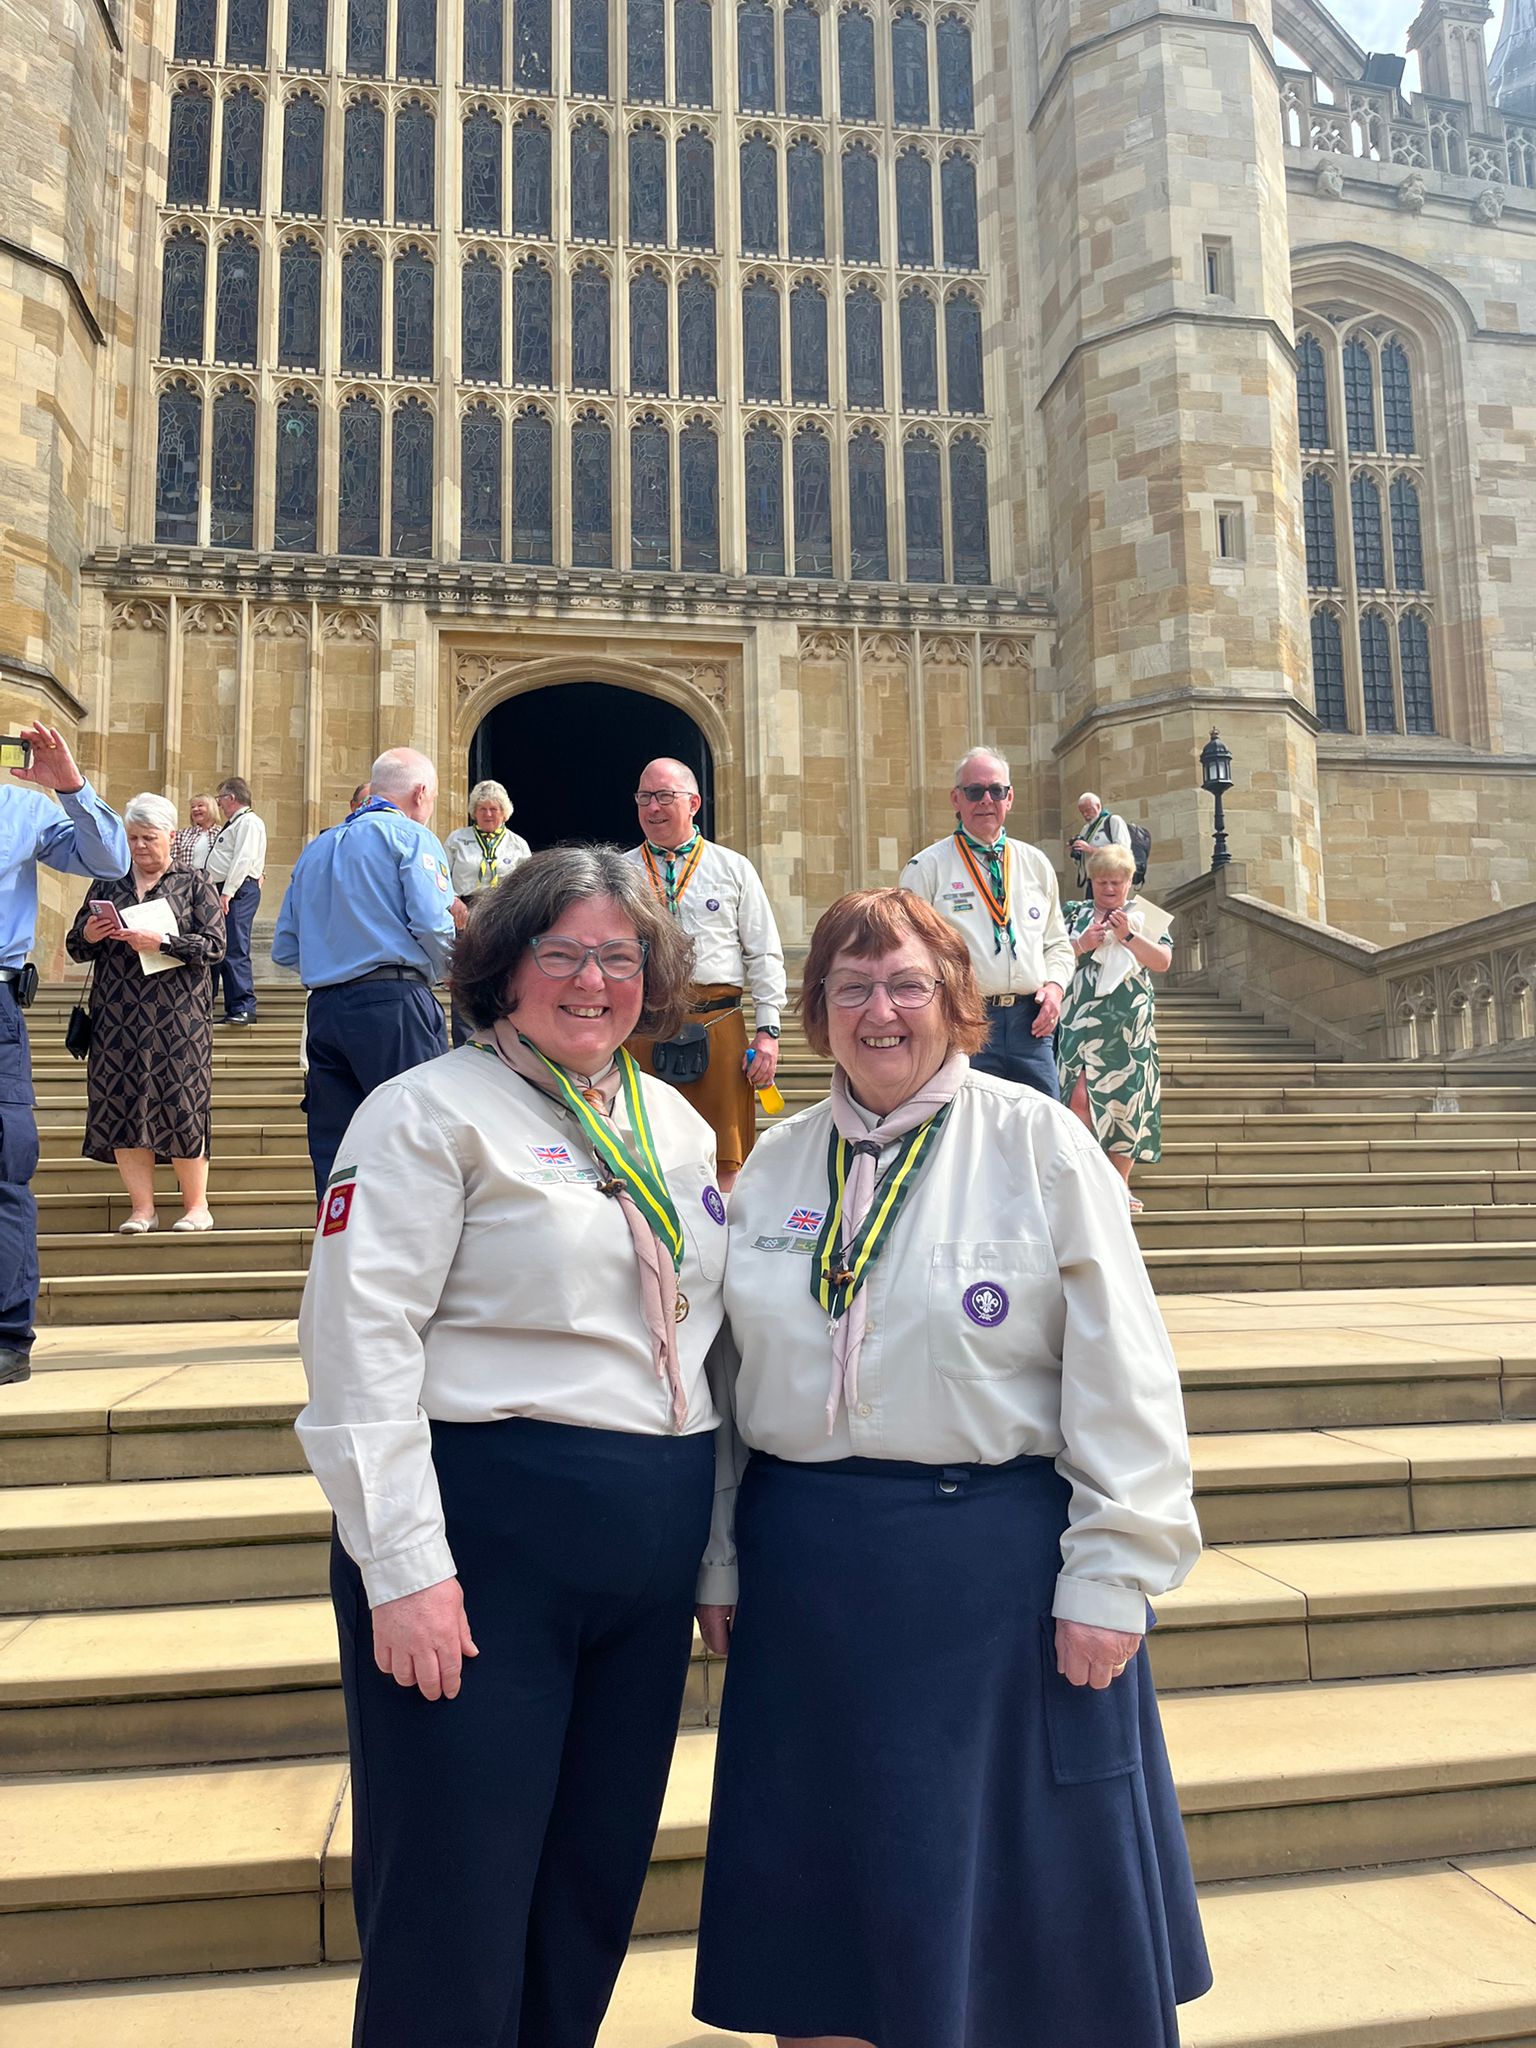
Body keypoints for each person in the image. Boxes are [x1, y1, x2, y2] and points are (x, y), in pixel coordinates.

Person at [691, 886, 1210, 2048]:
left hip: (992, 1580)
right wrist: (718, 1556)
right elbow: (725, 1387)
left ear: (958, 998)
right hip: (809, 1580)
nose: (880, 1010)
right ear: (818, 1010)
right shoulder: (774, 1163)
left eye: (907, 984)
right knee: (820, 1927)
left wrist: (1113, 1573)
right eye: (852, 987)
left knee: (1021, 1948)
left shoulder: (1039, 1140)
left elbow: (1124, 1369)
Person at [296, 846, 731, 2048]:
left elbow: (710, 1349)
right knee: (454, 1892)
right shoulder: (425, 1111)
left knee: (587, 1887)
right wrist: (403, 1569)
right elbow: (358, 1340)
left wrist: (714, 1552)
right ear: (503, 966)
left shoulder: (674, 1124)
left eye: (620, 957)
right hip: (485, 1546)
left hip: (645, 1553)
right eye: (564, 953)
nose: (594, 981)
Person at [0, 723, 129, 1385]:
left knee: (5, 1165)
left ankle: (5, 1334)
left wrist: (72, 787)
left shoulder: (20, 808)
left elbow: (109, 860)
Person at [272, 749, 456, 1198]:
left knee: (338, 1152)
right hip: (394, 1003)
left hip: (325, 1008)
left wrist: (336, 959)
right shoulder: (412, 837)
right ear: (421, 793)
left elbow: (285, 947)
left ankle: (341, 1235)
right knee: (418, 1133)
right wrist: (451, 969)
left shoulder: (316, 849)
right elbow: (433, 923)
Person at [64, 794, 226, 1234]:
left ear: (170, 837)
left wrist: (163, 942)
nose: (139, 846)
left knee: (181, 1103)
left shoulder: (194, 882)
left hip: (179, 1019)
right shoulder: (108, 882)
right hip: (117, 1016)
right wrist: (90, 933)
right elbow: (75, 946)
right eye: (133, 837)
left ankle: (196, 1206)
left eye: (148, 838)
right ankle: (142, 1209)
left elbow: (215, 946)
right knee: (122, 1104)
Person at [623, 758, 786, 1190]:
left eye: (664, 796)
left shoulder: (733, 868)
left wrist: (768, 1032)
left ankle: (721, 1233)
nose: (652, 807)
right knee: (640, 1153)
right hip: (643, 1024)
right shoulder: (620, 873)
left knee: (725, 1157)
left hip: (718, 1022)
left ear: (693, 803)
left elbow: (764, 954)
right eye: (644, 797)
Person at [900, 747, 1073, 1098]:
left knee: (1044, 1121)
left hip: (1031, 1024)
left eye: (996, 790)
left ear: (1010, 797)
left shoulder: (1036, 864)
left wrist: (1055, 988)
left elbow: (1057, 943)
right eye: (974, 791)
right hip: (966, 1021)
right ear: (956, 799)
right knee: (968, 1122)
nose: (986, 800)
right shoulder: (927, 868)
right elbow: (907, 953)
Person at [1059, 843, 1172, 1214]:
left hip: (1128, 1024)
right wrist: (1081, 943)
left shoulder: (1146, 915)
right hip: (1079, 1019)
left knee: (1125, 1101)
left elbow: (1162, 961)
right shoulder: (1072, 913)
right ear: (1091, 881)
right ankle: (1086, 1178)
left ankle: (1119, 1183)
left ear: (1129, 882)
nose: (1109, 888)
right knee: (1078, 1098)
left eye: (1116, 882)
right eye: (1102, 881)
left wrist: (1128, 936)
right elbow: (1049, 955)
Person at [442, 779, 532, 1046]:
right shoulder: (457, 840)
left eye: (494, 809)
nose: (488, 814)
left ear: (505, 812)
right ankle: (466, 1044)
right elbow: (441, 877)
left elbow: (528, 886)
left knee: (503, 977)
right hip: (465, 915)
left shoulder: (517, 845)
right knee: (465, 978)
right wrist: (453, 900)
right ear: (474, 811)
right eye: (482, 809)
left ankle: (505, 1041)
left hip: (502, 916)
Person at [205, 776, 266, 1027]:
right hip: (226, 889)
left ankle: (243, 1005)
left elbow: (244, 859)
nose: (218, 804)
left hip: (236, 891)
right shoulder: (238, 823)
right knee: (223, 947)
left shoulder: (249, 822)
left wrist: (227, 892)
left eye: (220, 799)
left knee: (235, 947)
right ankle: (233, 1006)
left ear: (231, 798)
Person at [1070, 789, 1132, 892]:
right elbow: (1083, 861)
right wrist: (1077, 853)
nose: (1085, 815)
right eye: (1082, 812)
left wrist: (1091, 849)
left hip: (1111, 879)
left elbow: (1122, 851)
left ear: (1098, 806)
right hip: (1092, 880)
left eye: (1088, 810)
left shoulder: (1113, 821)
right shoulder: (1085, 829)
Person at [172, 793, 217, 874]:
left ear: (211, 808)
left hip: (215, 880)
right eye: (192, 807)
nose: (195, 809)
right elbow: (173, 862)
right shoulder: (181, 835)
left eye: (200, 805)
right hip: (187, 880)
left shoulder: (222, 833)